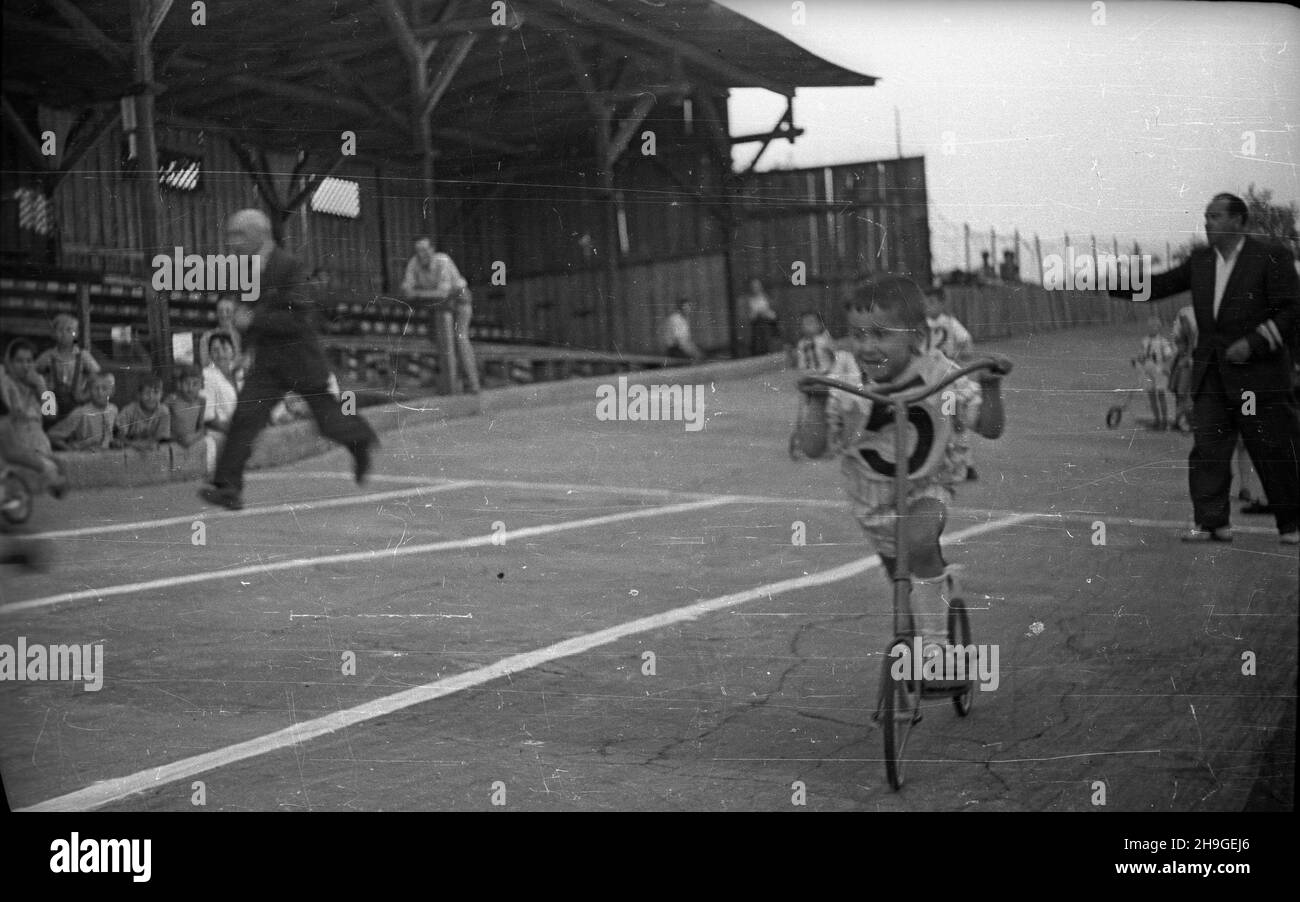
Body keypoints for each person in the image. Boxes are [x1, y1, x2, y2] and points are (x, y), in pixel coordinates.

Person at [822, 276, 1009, 668]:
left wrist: (989, 388)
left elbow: (988, 426)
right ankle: (943, 583)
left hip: (928, 484)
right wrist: (812, 403)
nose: (867, 347)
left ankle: (938, 650)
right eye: (857, 336)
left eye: (880, 334)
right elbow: (815, 445)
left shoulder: (940, 371)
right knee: (903, 586)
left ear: (917, 336)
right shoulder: (846, 382)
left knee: (919, 542)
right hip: (871, 498)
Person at [1110, 193, 1300, 545]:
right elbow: (1158, 285)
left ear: (1239, 222)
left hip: (1256, 378)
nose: (1207, 222)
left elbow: (1290, 311)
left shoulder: (1272, 257)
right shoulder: (1200, 261)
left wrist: (1255, 342)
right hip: (1212, 375)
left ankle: (1291, 524)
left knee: (1270, 445)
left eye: (1215, 216)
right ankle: (1212, 522)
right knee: (1208, 448)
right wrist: (1104, 282)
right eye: (1206, 216)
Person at [199, 209, 377, 511]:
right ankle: (228, 487)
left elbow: (298, 316)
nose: (232, 242)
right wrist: (247, 348)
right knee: (245, 419)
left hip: (301, 360)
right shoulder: (246, 269)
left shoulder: (289, 265)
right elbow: (248, 319)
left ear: (258, 233)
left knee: (329, 422)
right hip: (268, 364)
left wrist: (254, 319)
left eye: (238, 235)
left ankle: (360, 439)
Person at [400, 236, 480, 393]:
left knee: (460, 338)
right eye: (418, 251)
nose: (422, 254)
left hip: (460, 300)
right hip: (441, 307)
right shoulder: (414, 263)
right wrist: (412, 291)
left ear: (432, 250)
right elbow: (407, 289)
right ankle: (451, 385)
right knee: (441, 341)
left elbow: (443, 293)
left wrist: (417, 293)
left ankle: (473, 383)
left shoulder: (443, 261)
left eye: (424, 250)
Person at [0, 340, 67, 499]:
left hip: (38, 444)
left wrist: (41, 387)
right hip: (15, 442)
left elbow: (52, 414)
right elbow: (10, 414)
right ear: (10, 362)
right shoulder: (6, 383)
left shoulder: (38, 383)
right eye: (19, 361)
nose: (25, 366)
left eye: (29, 361)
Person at [924, 290, 979, 479]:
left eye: (932, 302)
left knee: (953, 421)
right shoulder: (942, 323)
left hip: (946, 383)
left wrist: (956, 360)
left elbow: (967, 345)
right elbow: (967, 345)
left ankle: (964, 463)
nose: (928, 306)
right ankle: (955, 463)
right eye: (926, 302)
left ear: (941, 303)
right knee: (945, 421)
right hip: (936, 382)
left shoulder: (947, 323)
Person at [34, 314, 100, 427]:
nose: (64, 333)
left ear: (76, 334)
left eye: (69, 330)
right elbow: (34, 373)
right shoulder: (48, 356)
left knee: (76, 425)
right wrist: (42, 391)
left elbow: (95, 378)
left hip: (76, 402)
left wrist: (86, 395)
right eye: (60, 330)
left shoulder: (83, 356)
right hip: (52, 403)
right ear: (53, 334)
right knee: (50, 425)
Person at [789, 311, 836, 458]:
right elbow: (800, 364)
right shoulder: (801, 343)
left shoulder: (824, 340)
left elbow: (835, 358)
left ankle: (830, 445)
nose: (807, 327)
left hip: (824, 380)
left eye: (811, 323)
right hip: (808, 381)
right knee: (802, 413)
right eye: (804, 324)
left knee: (829, 413)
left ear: (820, 325)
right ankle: (798, 442)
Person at [48, 372, 117, 452]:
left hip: (106, 457)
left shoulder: (113, 410)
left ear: (112, 391)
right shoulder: (81, 412)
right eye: (95, 388)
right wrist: (69, 449)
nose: (100, 393)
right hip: (86, 457)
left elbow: (111, 435)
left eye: (104, 388)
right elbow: (52, 435)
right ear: (89, 390)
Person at [1137, 314, 1176, 430]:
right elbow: (1142, 355)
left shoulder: (1162, 342)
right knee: (1151, 396)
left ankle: (1164, 421)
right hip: (1148, 371)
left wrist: (1165, 367)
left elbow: (1169, 356)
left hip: (1159, 371)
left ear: (1159, 328)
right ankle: (1157, 420)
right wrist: (1139, 359)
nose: (1152, 329)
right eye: (1150, 326)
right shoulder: (1144, 341)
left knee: (1161, 395)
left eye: (1155, 327)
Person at [114, 374, 171, 450]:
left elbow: (163, 438)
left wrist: (150, 444)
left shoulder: (164, 412)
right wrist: (135, 445)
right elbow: (119, 436)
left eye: (156, 392)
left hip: (153, 451)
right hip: (130, 450)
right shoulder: (129, 411)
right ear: (139, 394)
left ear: (161, 394)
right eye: (147, 393)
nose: (151, 397)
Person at [201, 332, 240, 435]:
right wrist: (237, 432)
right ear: (210, 354)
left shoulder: (239, 372)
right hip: (221, 432)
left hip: (244, 427)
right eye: (215, 350)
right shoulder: (207, 375)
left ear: (233, 351)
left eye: (225, 349)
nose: (221, 354)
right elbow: (209, 417)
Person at [1168, 304, 1197, 431]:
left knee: (1184, 393)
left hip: (1188, 360)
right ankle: (1178, 420)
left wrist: (1188, 357)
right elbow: (1178, 340)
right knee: (1178, 391)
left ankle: (1189, 422)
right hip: (1180, 359)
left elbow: (1190, 340)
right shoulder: (1183, 314)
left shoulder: (1185, 316)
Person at [742, 278, 781, 356]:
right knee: (759, 326)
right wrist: (756, 313)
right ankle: (760, 351)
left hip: (768, 322)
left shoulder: (766, 298)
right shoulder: (749, 300)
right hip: (755, 324)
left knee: (765, 326)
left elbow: (774, 314)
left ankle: (768, 349)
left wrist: (766, 313)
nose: (756, 288)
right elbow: (748, 317)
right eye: (754, 286)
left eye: (757, 286)